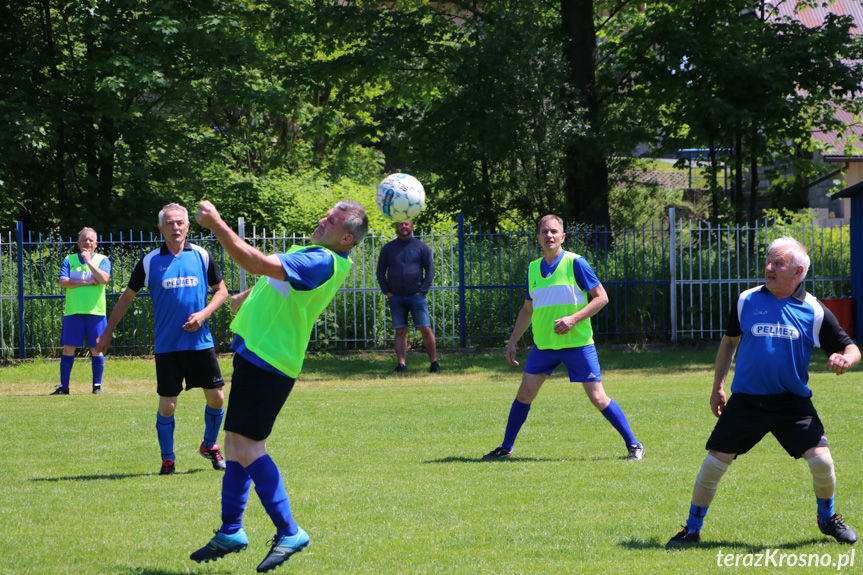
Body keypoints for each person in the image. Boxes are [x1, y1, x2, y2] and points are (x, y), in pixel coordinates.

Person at [190, 199, 369, 573]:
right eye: (326, 214)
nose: (323, 220)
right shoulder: (315, 252)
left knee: (250, 448)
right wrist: (246, 297)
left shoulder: (323, 260)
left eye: (333, 221)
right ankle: (232, 530)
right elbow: (276, 284)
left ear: (346, 237)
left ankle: (290, 531)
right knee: (236, 446)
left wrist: (218, 225)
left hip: (270, 361)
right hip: (258, 355)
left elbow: (256, 262)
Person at [666, 236, 861, 549]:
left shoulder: (814, 311)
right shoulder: (747, 300)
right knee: (714, 463)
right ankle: (691, 529)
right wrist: (718, 385)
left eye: (778, 263)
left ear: (797, 271)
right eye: (768, 261)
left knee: (823, 463)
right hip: (747, 401)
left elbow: (850, 347)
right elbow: (729, 341)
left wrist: (845, 359)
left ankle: (828, 518)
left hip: (792, 404)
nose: (769, 268)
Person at [482, 214, 644, 461]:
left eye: (554, 231)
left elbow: (602, 297)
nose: (549, 235)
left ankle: (634, 445)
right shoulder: (533, 269)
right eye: (545, 231)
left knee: (598, 397)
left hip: (577, 344)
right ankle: (506, 447)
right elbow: (528, 310)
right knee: (524, 393)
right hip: (544, 346)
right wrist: (513, 341)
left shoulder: (576, 263)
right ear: (538, 238)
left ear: (563, 237)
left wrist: (573, 319)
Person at [95, 204, 229, 476]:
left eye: (180, 222)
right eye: (170, 223)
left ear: (188, 226)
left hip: (200, 343)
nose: (175, 227)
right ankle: (168, 460)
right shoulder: (149, 261)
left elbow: (222, 292)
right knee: (167, 405)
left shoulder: (202, 256)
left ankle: (210, 445)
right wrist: (107, 332)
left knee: (217, 398)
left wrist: (203, 314)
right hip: (168, 346)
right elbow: (126, 298)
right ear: (161, 228)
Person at [51, 227, 112, 395]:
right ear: (78, 242)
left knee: (97, 349)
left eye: (91, 240)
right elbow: (63, 282)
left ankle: (97, 387)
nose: (87, 243)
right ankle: (64, 387)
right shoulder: (69, 259)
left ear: (96, 243)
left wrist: (89, 262)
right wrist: (88, 282)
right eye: (84, 239)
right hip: (73, 311)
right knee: (67, 349)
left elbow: (104, 279)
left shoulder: (102, 260)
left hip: (96, 312)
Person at [375, 219, 440, 373]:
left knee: (425, 328)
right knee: (400, 331)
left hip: (416, 296)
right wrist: (387, 292)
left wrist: (422, 290)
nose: (403, 226)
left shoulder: (421, 247)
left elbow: (430, 270)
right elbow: (380, 271)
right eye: (400, 224)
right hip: (396, 297)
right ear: (396, 227)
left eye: (406, 224)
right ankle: (401, 364)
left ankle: (434, 363)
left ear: (411, 226)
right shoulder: (388, 248)